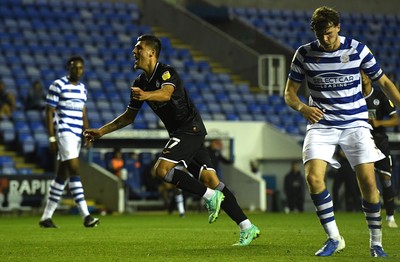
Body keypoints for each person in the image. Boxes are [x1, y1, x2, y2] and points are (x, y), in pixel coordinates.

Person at [84, 34, 259, 246]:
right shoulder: (139, 82)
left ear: (151, 52)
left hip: (190, 129)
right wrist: (101, 132)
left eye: (138, 48)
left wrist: (146, 96)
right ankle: (247, 226)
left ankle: (209, 196)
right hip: (183, 133)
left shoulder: (167, 72)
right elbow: (129, 117)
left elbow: (166, 94)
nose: (134, 52)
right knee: (212, 181)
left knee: (161, 170)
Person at [284, 6, 400, 257]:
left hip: (355, 123)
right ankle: (334, 238)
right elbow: (289, 94)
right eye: (319, 34)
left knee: (369, 182)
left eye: (328, 33)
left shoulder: (358, 49)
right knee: (313, 178)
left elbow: (384, 83)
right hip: (321, 124)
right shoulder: (304, 54)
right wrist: (303, 108)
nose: (324, 39)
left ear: (338, 27)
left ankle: (376, 243)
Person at [39, 55, 99, 228]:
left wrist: (87, 133)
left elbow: (83, 113)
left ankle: (46, 217)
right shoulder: (58, 85)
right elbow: (49, 112)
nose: (77, 71)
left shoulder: (82, 89)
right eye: (74, 68)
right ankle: (86, 216)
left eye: (80, 68)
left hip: (76, 135)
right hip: (64, 132)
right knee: (74, 169)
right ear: (68, 68)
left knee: (62, 175)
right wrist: (51, 137)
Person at [362, 70, 399, 228]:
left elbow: (395, 120)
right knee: (367, 181)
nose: (361, 77)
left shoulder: (380, 96)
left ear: (369, 76)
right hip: (362, 143)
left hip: (380, 143)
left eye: (363, 73)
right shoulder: (353, 97)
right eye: (358, 74)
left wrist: (379, 124)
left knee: (386, 180)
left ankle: (390, 216)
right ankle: (372, 216)